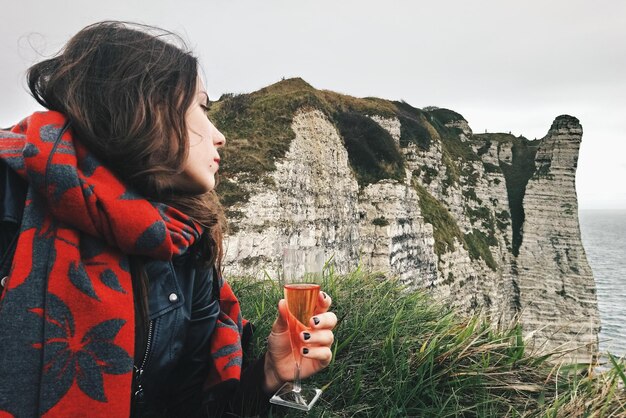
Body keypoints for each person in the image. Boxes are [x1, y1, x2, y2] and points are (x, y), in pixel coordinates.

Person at [0, 20, 336, 417]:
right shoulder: (13, 192)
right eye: (202, 107)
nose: (219, 136)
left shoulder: (184, 238)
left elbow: (186, 405)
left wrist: (268, 375)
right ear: (146, 103)